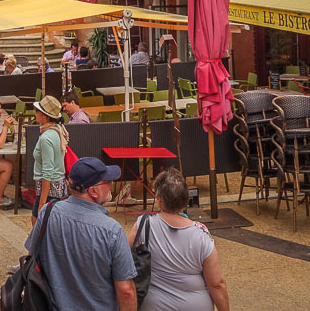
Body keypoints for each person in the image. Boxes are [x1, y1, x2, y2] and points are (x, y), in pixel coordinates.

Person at [24, 157, 137, 311]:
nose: (111, 186)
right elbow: (126, 290)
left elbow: (31, 256)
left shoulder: (48, 212)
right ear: (93, 191)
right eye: (107, 182)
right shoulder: (112, 231)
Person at [127, 167, 230, 311]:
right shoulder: (201, 233)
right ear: (186, 200)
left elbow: (124, 264)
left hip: (153, 305)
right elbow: (217, 283)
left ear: (160, 200)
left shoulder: (143, 225)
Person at [32, 95, 70, 223]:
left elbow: (48, 171)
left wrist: (42, 203)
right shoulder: (58, 129)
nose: (35, 113)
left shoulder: (46, 137)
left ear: (44, 116)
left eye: (37, 111)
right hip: (59, 184)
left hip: (50, 187)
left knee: (38, 221)